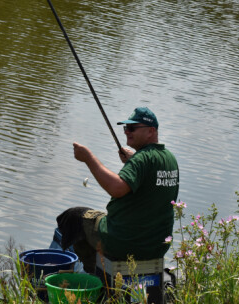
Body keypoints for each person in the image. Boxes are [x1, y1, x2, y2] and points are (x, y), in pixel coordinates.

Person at [56, 107, 179, 273]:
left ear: (151, 131)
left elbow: (117, 188)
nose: (127, 132)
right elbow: (150, 182)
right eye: (126, 128)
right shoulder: (169, 159)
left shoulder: (142, 159)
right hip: (157, 246)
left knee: (73, 217)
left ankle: (90, 277)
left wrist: (88, 158)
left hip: (125, 242)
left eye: (133, 128)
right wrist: (133, 160)